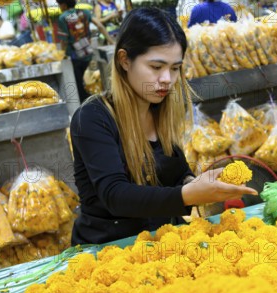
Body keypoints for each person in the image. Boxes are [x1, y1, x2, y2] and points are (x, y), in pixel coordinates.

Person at [69, 7, 256, 245]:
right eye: (156, 67)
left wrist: (196, 183)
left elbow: (176, 173)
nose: (167, 79)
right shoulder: (93, 117)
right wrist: (187, 194)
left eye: (175, 68)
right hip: (108, 249)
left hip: (163, 243)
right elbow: (115, 194)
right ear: (124, 60)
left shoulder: (160, 109)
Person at [56, 0, 115, 103]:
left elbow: (64, 40)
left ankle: (88, 104)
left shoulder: (63, 18)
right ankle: (93, 101)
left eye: (59, 4)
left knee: (77, 86)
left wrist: (61, 55)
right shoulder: (85, 12)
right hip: (87, 54)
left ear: (64, 4)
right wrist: (111, 41)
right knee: (83, 82)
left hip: (74, 57)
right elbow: (100, 26)